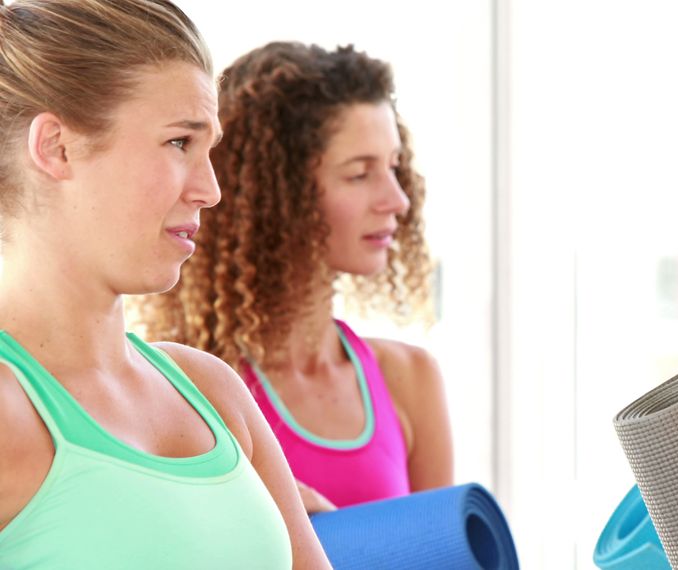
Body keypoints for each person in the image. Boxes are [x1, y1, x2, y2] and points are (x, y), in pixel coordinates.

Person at [0, 1, 330, 567]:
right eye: (180, 142)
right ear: (56, 147)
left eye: (210, 150)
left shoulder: (211, 392)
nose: (210, 189)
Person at [138, 42, 453, 514]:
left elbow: (443, 556)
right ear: (279, 194)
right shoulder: (178, 388)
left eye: (392, 167)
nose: (397, 199)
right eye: (360, 174)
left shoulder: (410, 379)